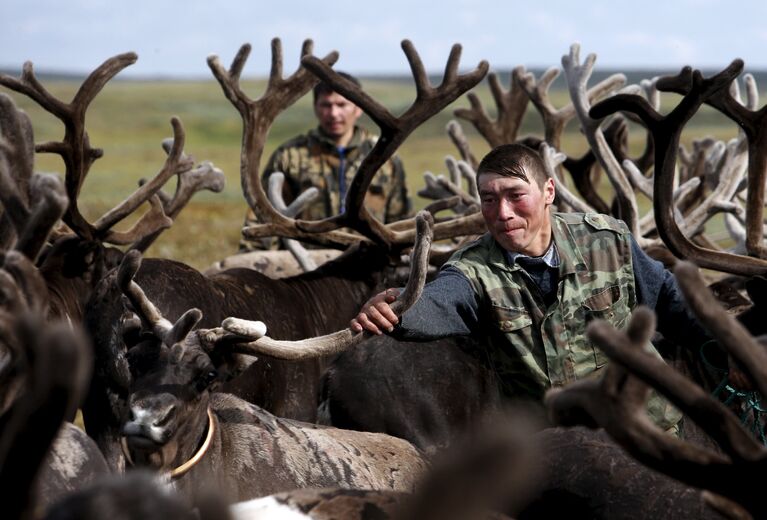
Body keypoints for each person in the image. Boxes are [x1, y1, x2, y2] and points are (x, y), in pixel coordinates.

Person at [350, 143, 713, 431]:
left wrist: (727, 350)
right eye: (489, 199)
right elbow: (442, 302)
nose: (502, 212)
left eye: (515, 195)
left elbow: (670, 301)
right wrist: (399, 312)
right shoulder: (472, 269)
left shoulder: (608, 239)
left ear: (548, 192)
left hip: (647, 435)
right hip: (554, 451)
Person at [239, 72, 411, 251]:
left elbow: (402, 221)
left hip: (371, 267)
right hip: (306, 269)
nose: (334, 113)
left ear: (359, 108)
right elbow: (265, 217)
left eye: (341, 104)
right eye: (326, 105)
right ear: (315, 107)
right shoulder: (289, 156)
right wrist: (251, 264)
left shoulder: (385, 158)